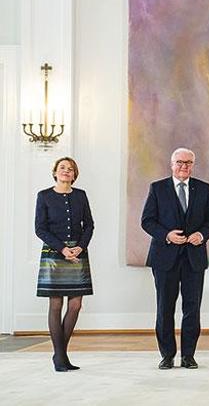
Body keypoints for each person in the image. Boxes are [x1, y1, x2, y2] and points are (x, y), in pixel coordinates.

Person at [141, 147, 209, 370]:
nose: (184, 166)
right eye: (180, 162)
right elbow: (147, 221)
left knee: (192, 308)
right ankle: (167, 355)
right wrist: (167, 235)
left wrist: (201, 235)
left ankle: (188, 356)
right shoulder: (157, 188)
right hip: (164, 258)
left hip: (194, 258)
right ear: (171, 164)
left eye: (188, 162)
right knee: (164, 308)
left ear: (193, 165)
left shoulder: (203, 188)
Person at [35, 157, 94, 372]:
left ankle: (60, 354)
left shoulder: (80, 195)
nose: (66, 171)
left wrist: (80, 247)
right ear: (55, 172)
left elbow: (89, 225)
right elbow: (40, 228)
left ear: (74, 174)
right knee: (56, 305)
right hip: (54, 254)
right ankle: (60, 357)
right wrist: (62, 249)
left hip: (78, 254)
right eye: (62, 168)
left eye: (70, 169)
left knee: (76, 305)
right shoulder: (44, 196)